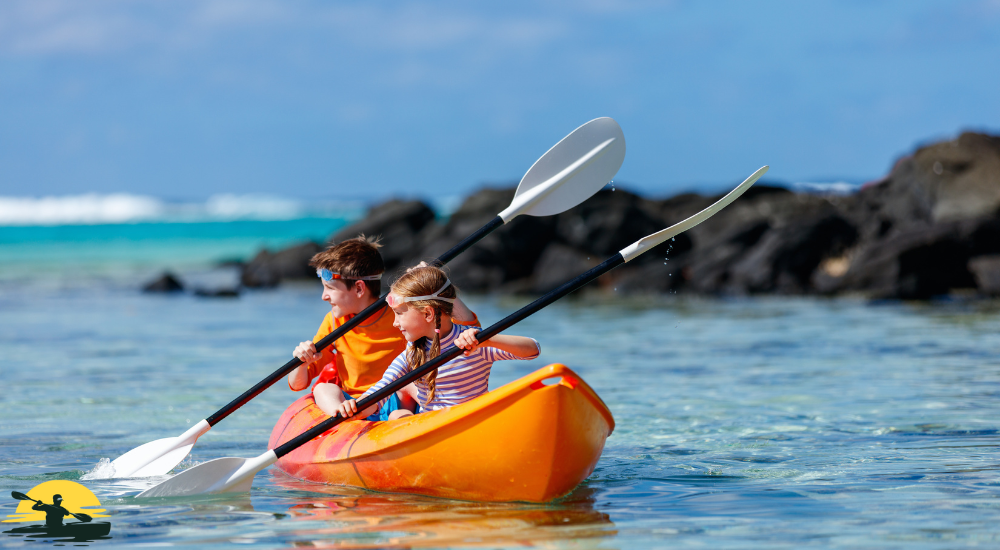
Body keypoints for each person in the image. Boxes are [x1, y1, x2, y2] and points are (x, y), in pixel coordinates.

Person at [288, 237, 477, 419]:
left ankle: (403, 421)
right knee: (322, 389)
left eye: (330, 288)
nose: (324, 296)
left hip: (398, 399)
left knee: (408, 384)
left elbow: (468, 328)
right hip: (354, 403)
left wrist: (439, 286)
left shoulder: (400, 314)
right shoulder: (334, 322)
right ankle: (342, 419)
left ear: (360, 288)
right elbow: (298, 384)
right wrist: (302, 362)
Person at [335, 265, 539, 421]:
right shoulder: (412, 353)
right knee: (397, 417)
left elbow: (533, 350)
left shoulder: (473, 342)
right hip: (432, 427)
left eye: (398, 314)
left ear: (427, 313)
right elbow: (381, 390)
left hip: (473, 422)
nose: (395, 323)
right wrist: (354, 406)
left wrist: (487, 338)